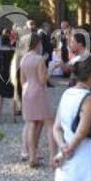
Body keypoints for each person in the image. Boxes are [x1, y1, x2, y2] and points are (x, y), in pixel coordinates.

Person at [20, 34, 55, 166]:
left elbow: (22, 80)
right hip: (38, 92)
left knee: (31, 124)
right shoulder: (39, 59)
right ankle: (52, 157)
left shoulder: (23, 58)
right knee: (49, 123)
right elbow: (42, 79)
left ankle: (32, 156)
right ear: (37, 44)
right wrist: (50, 69)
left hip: (27, 91)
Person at [0, 31, 17, 122]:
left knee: (0, 97)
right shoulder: (13, 52)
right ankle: (13, 117)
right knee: (13, 97)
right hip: (12, 75)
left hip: (1, 75)